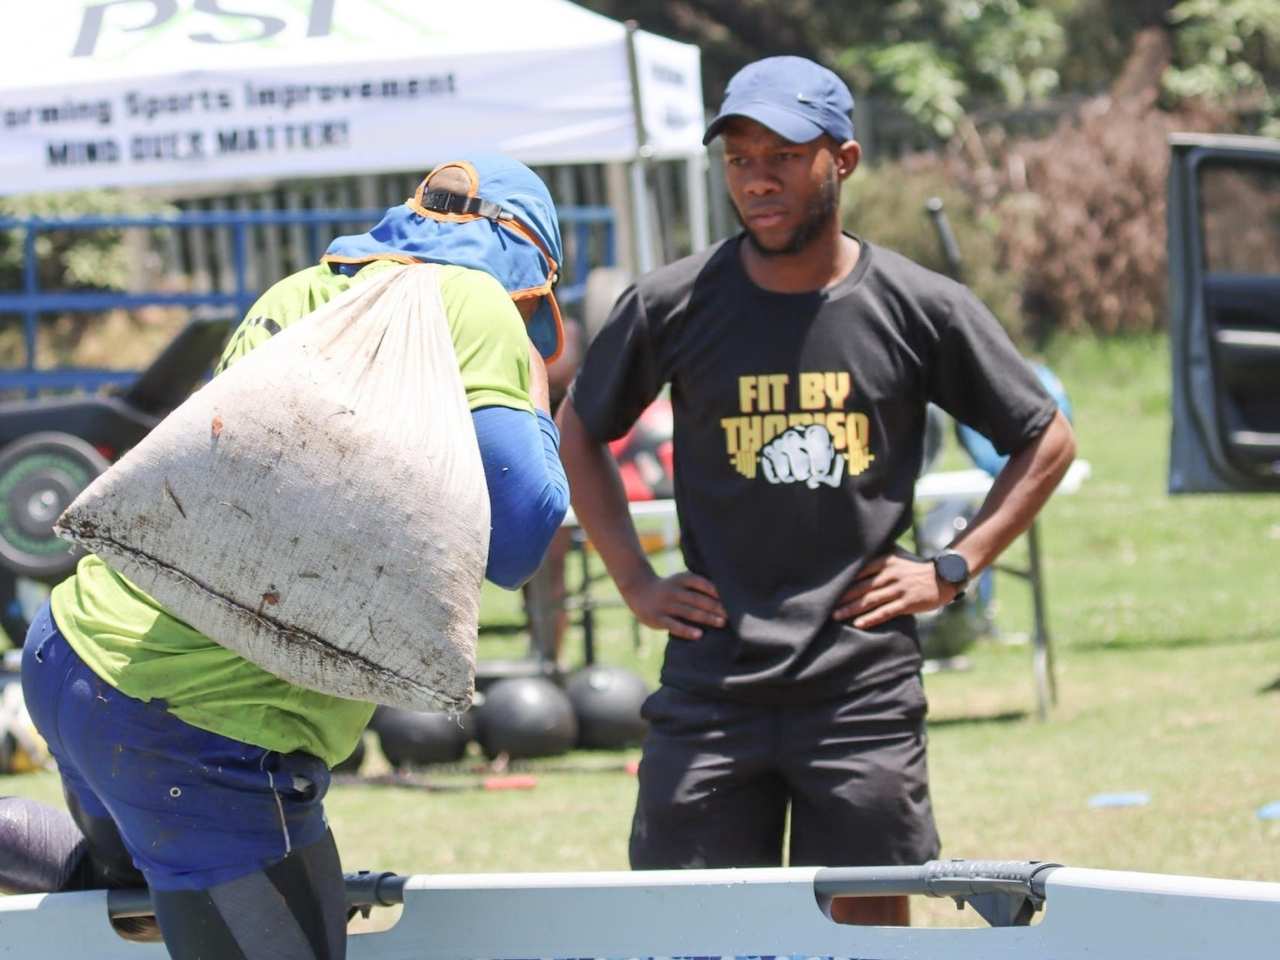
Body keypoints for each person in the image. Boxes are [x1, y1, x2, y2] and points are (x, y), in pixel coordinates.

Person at [4, 153, 571, 959]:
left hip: (77, 648)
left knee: (134, 889)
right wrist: (535, 397)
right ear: (530, 279)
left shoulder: (297, 291)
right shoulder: (476, 301)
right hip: (198, 725)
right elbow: (519, 540)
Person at [557, 56, 1077, 926]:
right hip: (712, 689)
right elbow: (578, 427)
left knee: (866, 932)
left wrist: (952, 568)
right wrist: (636, 582)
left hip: (860, 693)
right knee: (699, 936)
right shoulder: (673, 302)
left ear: (844, 159)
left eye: (785, 157)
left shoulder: (918, 306)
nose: (758, 180)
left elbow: (1046, 438)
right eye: (740, 159)